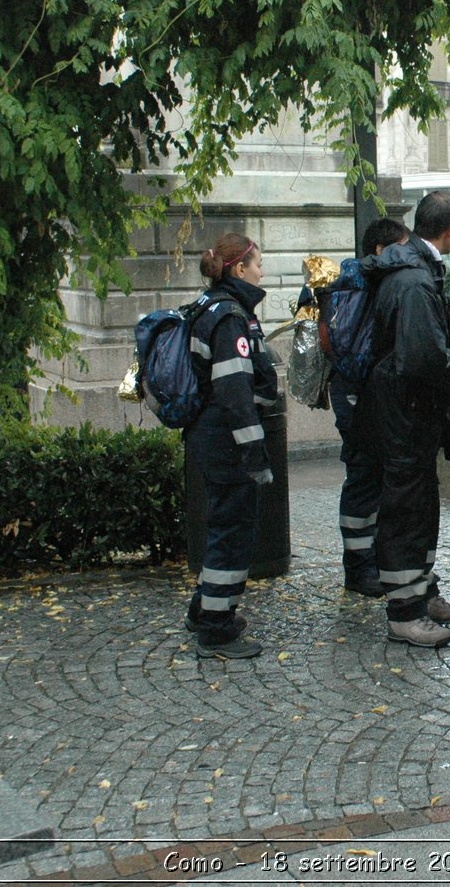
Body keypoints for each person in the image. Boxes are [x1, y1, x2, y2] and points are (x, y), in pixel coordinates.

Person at [359, 192, 450, 648]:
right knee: (406, 509)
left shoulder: (409, 268)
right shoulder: (414, 281)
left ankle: (423, 593)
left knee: (420, 504)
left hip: (406, 412)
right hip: (405, 414)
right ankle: (405, 612)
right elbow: (425, 359)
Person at [184, 233, 281, 659]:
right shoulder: (229, 317)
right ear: (239, 269)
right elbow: (235, 393)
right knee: (232, 532)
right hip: (225, 439)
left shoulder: (214, 307)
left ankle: (204, 610)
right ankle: (216, 631)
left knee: (222, 526)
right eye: (258, 264)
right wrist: (254, 453)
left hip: (211, 433)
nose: (262, 271)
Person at [327, 217, 410, 598]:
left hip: (352, 390)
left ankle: (367, 561)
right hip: (357, 392)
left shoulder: (351, 284)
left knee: (369, 475)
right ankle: (358, 568)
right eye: (400, 246)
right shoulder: (365, 283)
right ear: (380, 250)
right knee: (363, 476)